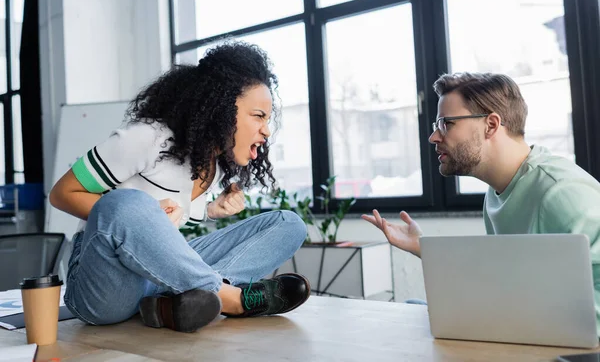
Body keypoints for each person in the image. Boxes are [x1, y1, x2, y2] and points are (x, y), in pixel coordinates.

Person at [49, 41, 310, 333]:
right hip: (103, 282)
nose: (266, 130)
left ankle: (181, 301)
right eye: (258, 116)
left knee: (289, 223)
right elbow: (61, 194)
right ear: (221, 107)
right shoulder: (147, 138)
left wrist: (211, 210)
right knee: (126, 203)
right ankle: (229, 298)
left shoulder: (213, 165)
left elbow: (171, 220)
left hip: (155, 276)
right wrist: (142, 215)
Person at [362, 72, 600, 330]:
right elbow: (501, 282)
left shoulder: (561, 192)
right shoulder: (496, 193)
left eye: (446, 123)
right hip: (524, 329)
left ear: (491, 125)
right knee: (412, 307)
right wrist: (423, 247)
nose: (434, 137)